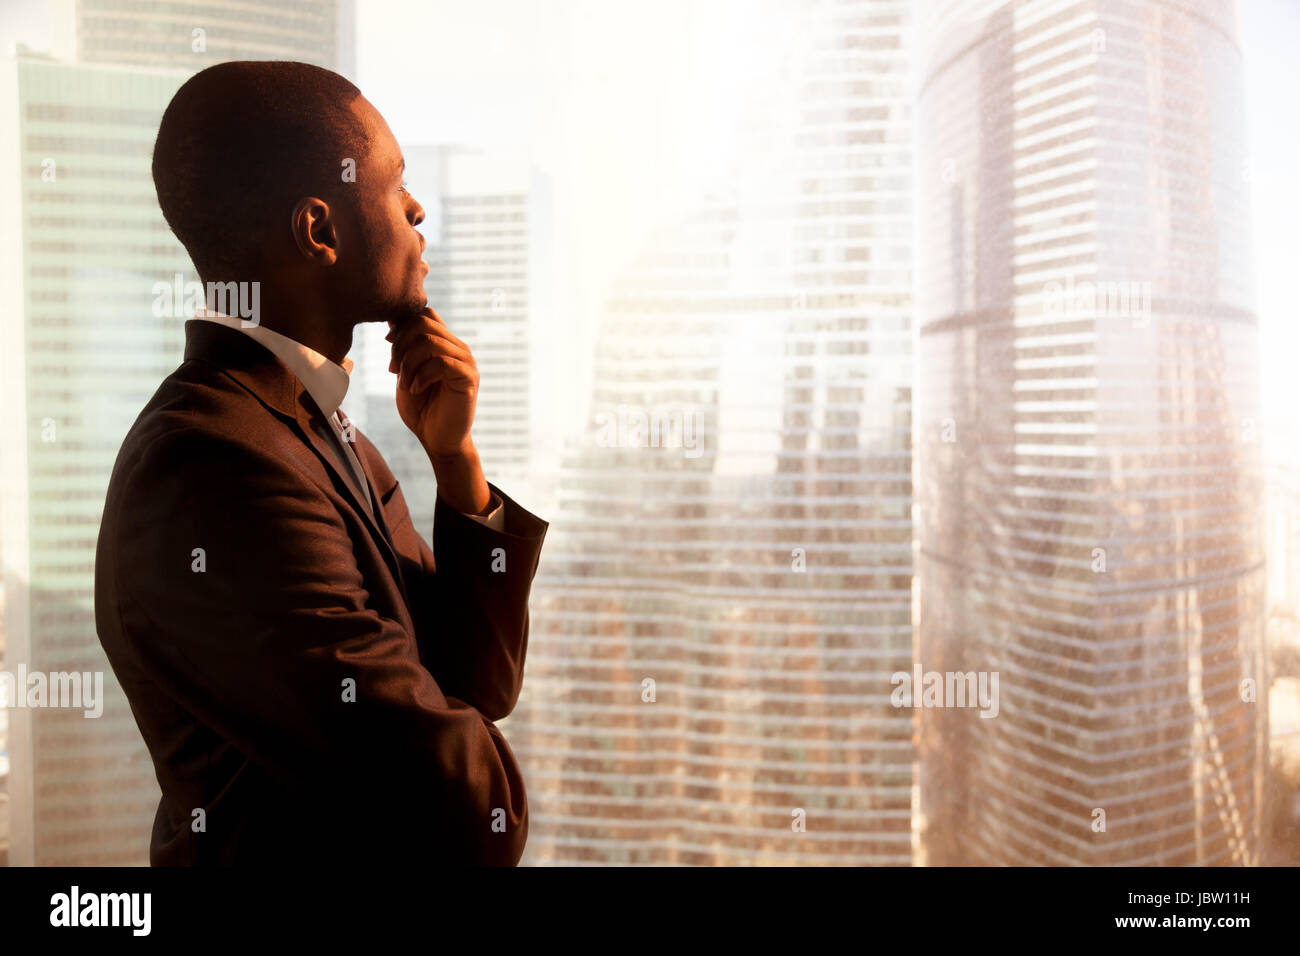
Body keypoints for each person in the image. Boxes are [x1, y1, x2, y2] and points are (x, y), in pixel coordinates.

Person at [94, 60, 547, 866]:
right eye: (396, 183)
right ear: (320, 231)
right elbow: (468, 809)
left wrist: (456, 462)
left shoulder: (326, 433)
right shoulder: (214, 466)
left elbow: (479, 685)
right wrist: (454, 731)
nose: (417, 210)